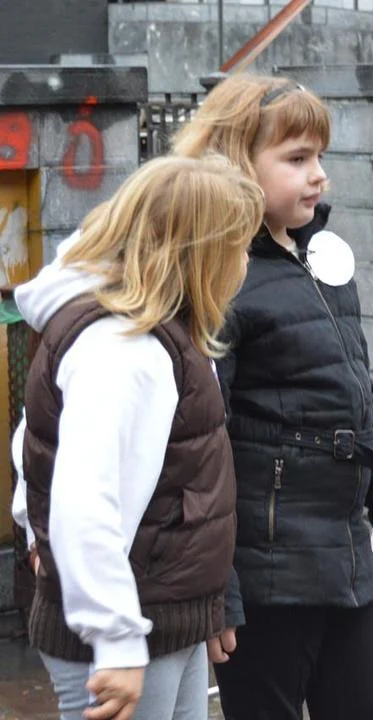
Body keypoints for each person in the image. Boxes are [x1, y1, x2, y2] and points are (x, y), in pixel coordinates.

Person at [171, 74, 373, 720]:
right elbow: (199, 450)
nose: (319, 176)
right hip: (265, 579)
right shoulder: (219, 277)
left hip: (345, 563)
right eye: (295, 159)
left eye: (320, 156)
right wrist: (219, 588)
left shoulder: (321, 261)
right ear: (236, 163)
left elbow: (360, 405)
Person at [11, 155, 264, 720]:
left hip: (158, 619)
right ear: (201, 255)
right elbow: (84, 497)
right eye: (239, 246)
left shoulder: (155, 333)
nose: (246, 261)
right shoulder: (126, 350)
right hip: (128, 635)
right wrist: (117, 638)